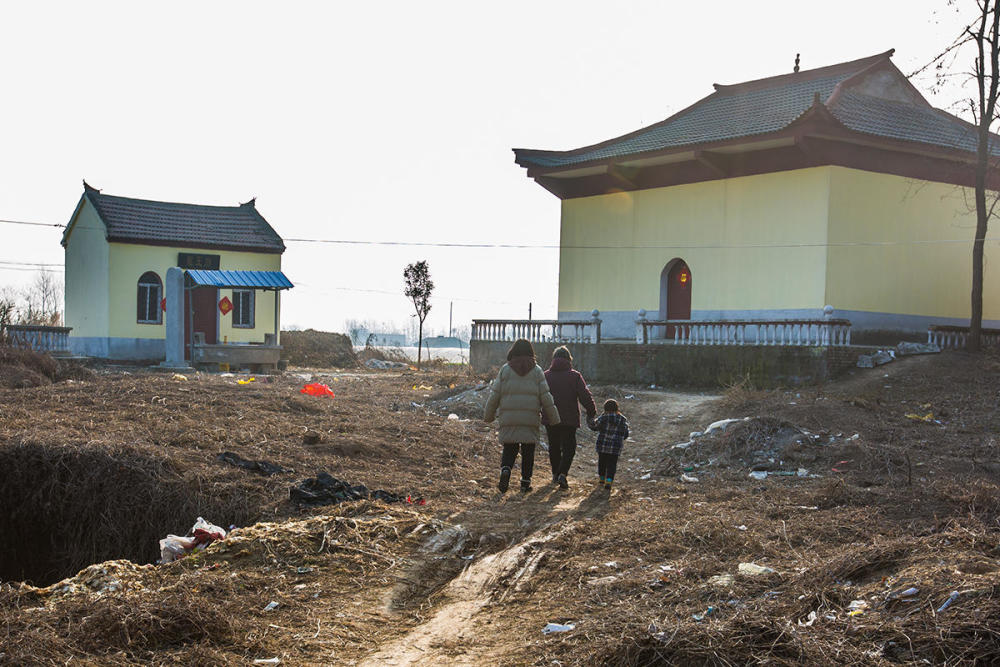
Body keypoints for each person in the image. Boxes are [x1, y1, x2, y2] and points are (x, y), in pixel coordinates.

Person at [484, 338, 560, 494]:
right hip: (530, 419)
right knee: (528, 451)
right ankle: (525, 483)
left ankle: (505, 470)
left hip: (509, 418)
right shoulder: (537, 371)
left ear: (513, 351)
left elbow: (494, 395)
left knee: (509, 448)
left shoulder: (505, 370)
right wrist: (554, 418)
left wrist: (489, 415)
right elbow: (546, 396)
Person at [542, 346, 597, 490]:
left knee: (553, 446)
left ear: (554, 359)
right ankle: (563, 473)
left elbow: (538, 396)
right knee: (569, 447)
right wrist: (591, 412)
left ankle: (555, 473)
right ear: (569, 359)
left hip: (550, 417)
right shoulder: (575, 376)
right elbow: (585, 396)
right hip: (569, 418)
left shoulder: (545, 375)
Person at [587, 399, 630, 491]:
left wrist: (589, 420)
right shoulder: (623, 419)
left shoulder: (603, 418)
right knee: (612, 464)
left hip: (602, 445)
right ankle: (609, 481)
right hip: (615, 447)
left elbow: (594, 427)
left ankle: (602, 479)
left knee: (602, 462)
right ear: (617, 408)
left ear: (605, 408)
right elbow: (626, 434)